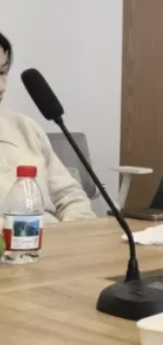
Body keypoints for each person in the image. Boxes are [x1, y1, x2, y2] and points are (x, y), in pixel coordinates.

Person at [0, 32, 95, 221]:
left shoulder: (25, 127)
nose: (2, 86)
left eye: (2, 72)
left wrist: (72, 232)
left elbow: (70, 197)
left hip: (56, 235)